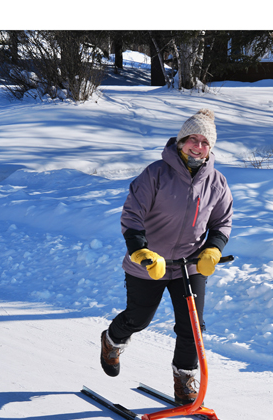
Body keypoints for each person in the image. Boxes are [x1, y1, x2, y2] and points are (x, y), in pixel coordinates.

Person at [99, 109, 233, 404]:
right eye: (193, 140)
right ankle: (112, 340)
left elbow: (222, 222)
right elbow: (132, 214)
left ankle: (185, 377)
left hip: (191, 263)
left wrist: (213, 248)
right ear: (181, 141)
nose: (198, 147)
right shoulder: (155, 174)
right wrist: (140, 251)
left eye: (205, 142)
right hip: (150, 262)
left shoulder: (217, 182)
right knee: (139, 318)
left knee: (192, 326)